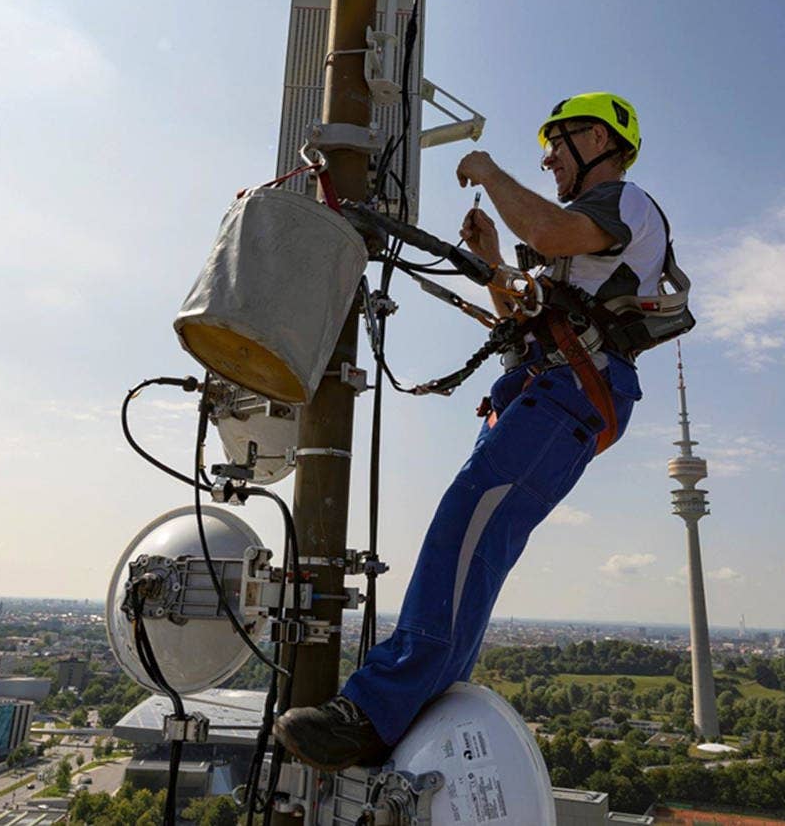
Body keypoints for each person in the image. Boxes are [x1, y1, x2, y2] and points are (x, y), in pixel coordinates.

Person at [274, 92, 667, 771]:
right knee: (473, 538)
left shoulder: (626, 205)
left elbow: (549, 233)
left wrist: (488, 171)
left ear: (598, 141)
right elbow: (521, 313)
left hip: (568, 394)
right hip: (546, 394)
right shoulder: (584, 237)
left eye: (558, 144)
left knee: (468, 524)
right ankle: (411, 701)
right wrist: (490, 262)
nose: (547, 159)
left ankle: (373, 713)